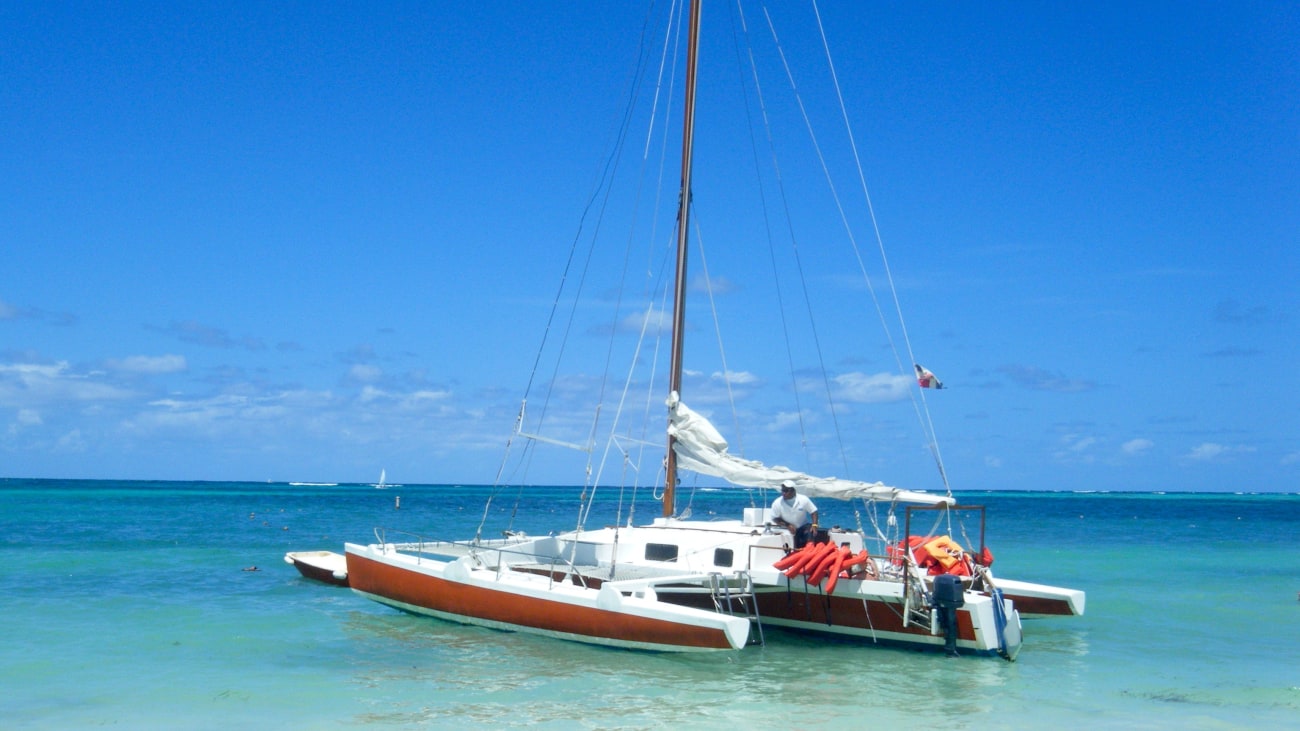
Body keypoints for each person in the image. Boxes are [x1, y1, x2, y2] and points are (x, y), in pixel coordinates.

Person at [770, 480, 819, 548]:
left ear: (793, 490)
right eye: (782, 490)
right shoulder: (777, 503)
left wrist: (815, 525)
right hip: (786, 528)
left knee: (810, 531)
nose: (783, 493)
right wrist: (787, 525)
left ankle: (809, 550)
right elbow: (775, 518)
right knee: (793, 544)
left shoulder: (803, 499)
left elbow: (813, 511)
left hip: (802, 526)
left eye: (786, 490)